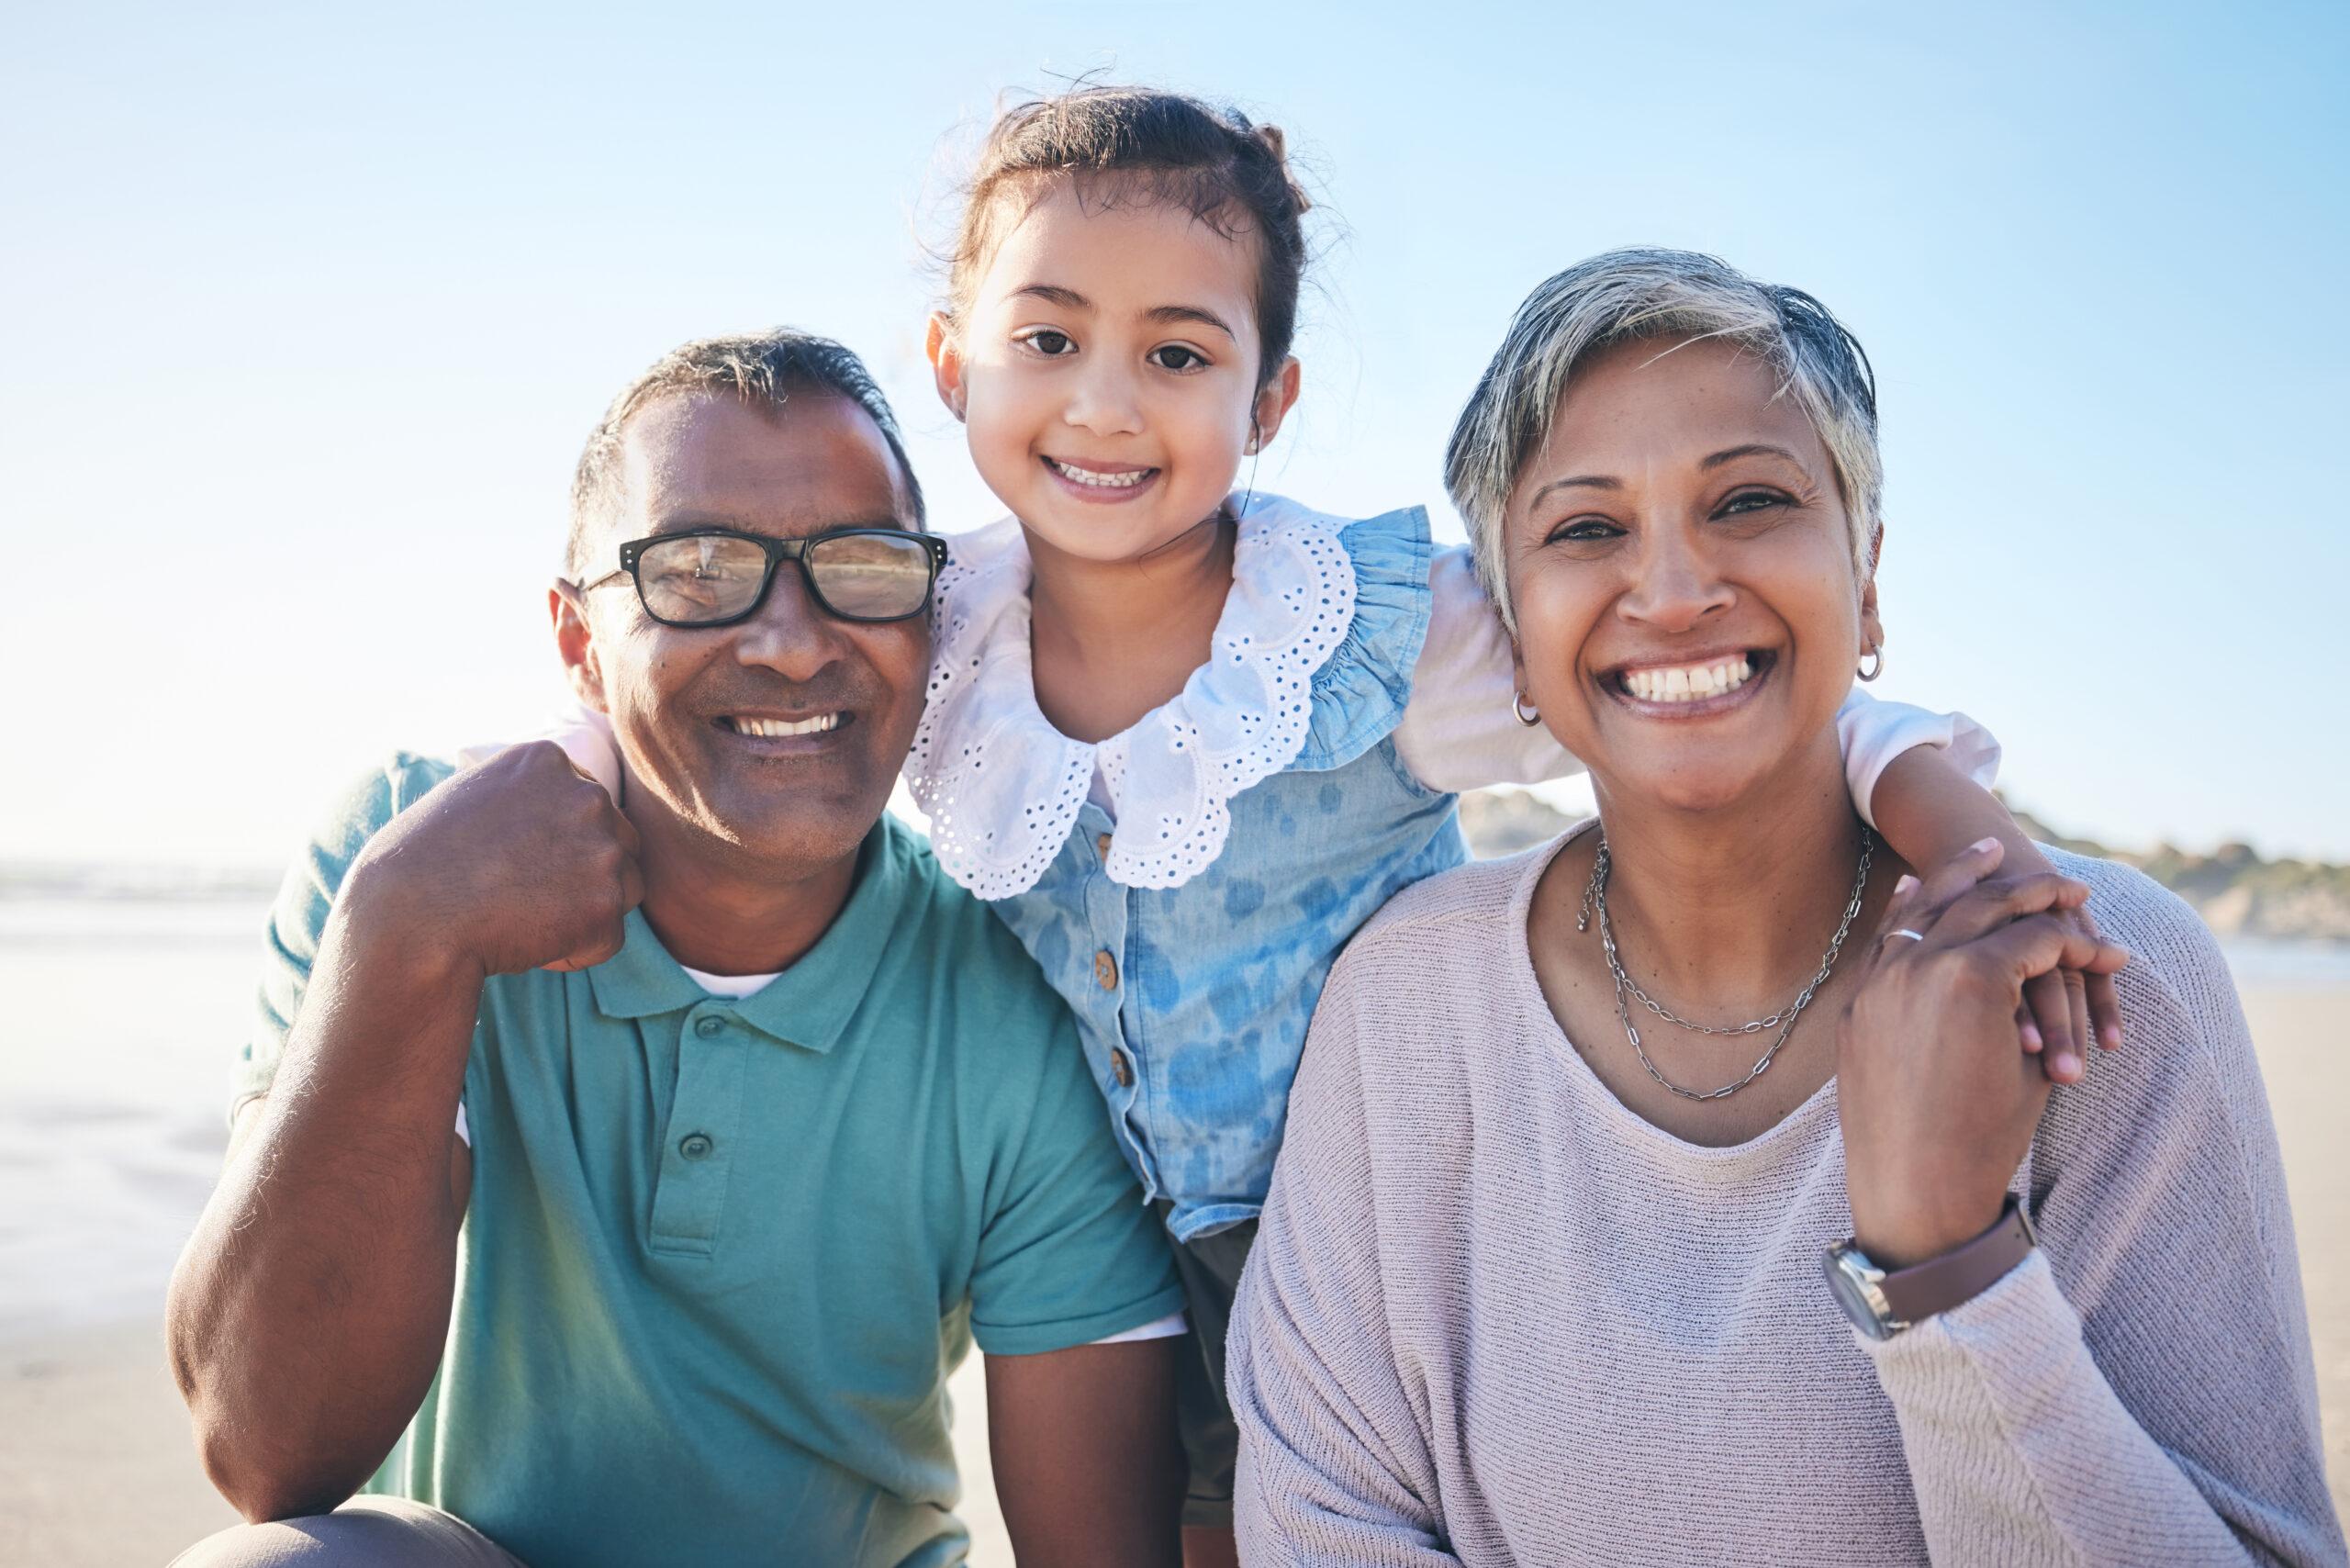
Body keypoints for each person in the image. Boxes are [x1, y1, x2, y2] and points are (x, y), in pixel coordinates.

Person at [534, 85, 2113, 1566]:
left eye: (1178, 354)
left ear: (1268, 398)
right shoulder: (930, 634)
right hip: (1085, 1247)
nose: (1105, 404)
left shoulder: (1363, 633)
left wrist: (1973, 839)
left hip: (1372, 1237)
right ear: (953, 368)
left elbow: (1735, 699)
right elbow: (700, 705)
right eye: (1047, 337)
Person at [1225, 249, 2347, 1565]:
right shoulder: (1405, 1003)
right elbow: (1322, 1530)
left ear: (1866, 579)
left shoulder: (2103, 976)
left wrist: (1950, 1265)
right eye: (1586, 528)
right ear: (1516, 636)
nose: (1676, 588)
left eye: (1750, 501)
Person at [165, 330, 1191, 1568]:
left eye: (862, 567)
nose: (794, 641)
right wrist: (408, 937)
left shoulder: (1014, 990)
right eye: (698, 571)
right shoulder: (408, 861)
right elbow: (270, 1451)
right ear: (576, 642)